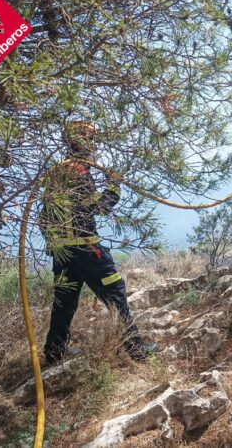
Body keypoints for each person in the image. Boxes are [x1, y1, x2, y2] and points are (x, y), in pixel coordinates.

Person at [39, 120, 159, 365]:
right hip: (86, 248)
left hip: (63, 251)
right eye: (91, 140)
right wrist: (114, 185)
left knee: (65, 301)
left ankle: (54, 352)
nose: (94, 146)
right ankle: (135, 349)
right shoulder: (77, 171)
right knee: (115, 292)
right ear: (80, 141)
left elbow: (45, 215)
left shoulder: (58, 171)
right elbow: (98, 207)